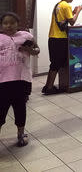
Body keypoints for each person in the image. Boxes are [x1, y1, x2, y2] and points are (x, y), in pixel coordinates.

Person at [0, 12, 40, 147]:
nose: (9, 25)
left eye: (12, 22)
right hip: (2, 81)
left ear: (18, 23)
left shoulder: (25, 36)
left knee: (20, 108)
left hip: (21, 80)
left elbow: (37, 50)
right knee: (1, 110)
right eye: (5, 23)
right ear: (1, 25)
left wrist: (30, 49)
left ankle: (21, 135)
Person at [42, 0, 82, 95]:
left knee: (54, 63)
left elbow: (64, 20)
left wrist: (73, 12)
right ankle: (49, 87)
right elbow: (72, 22)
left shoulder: (58, 5)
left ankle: (47, 86)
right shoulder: (66, 5)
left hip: (52, 37)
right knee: (57, 63)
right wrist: (78, 11)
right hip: (60, 38)